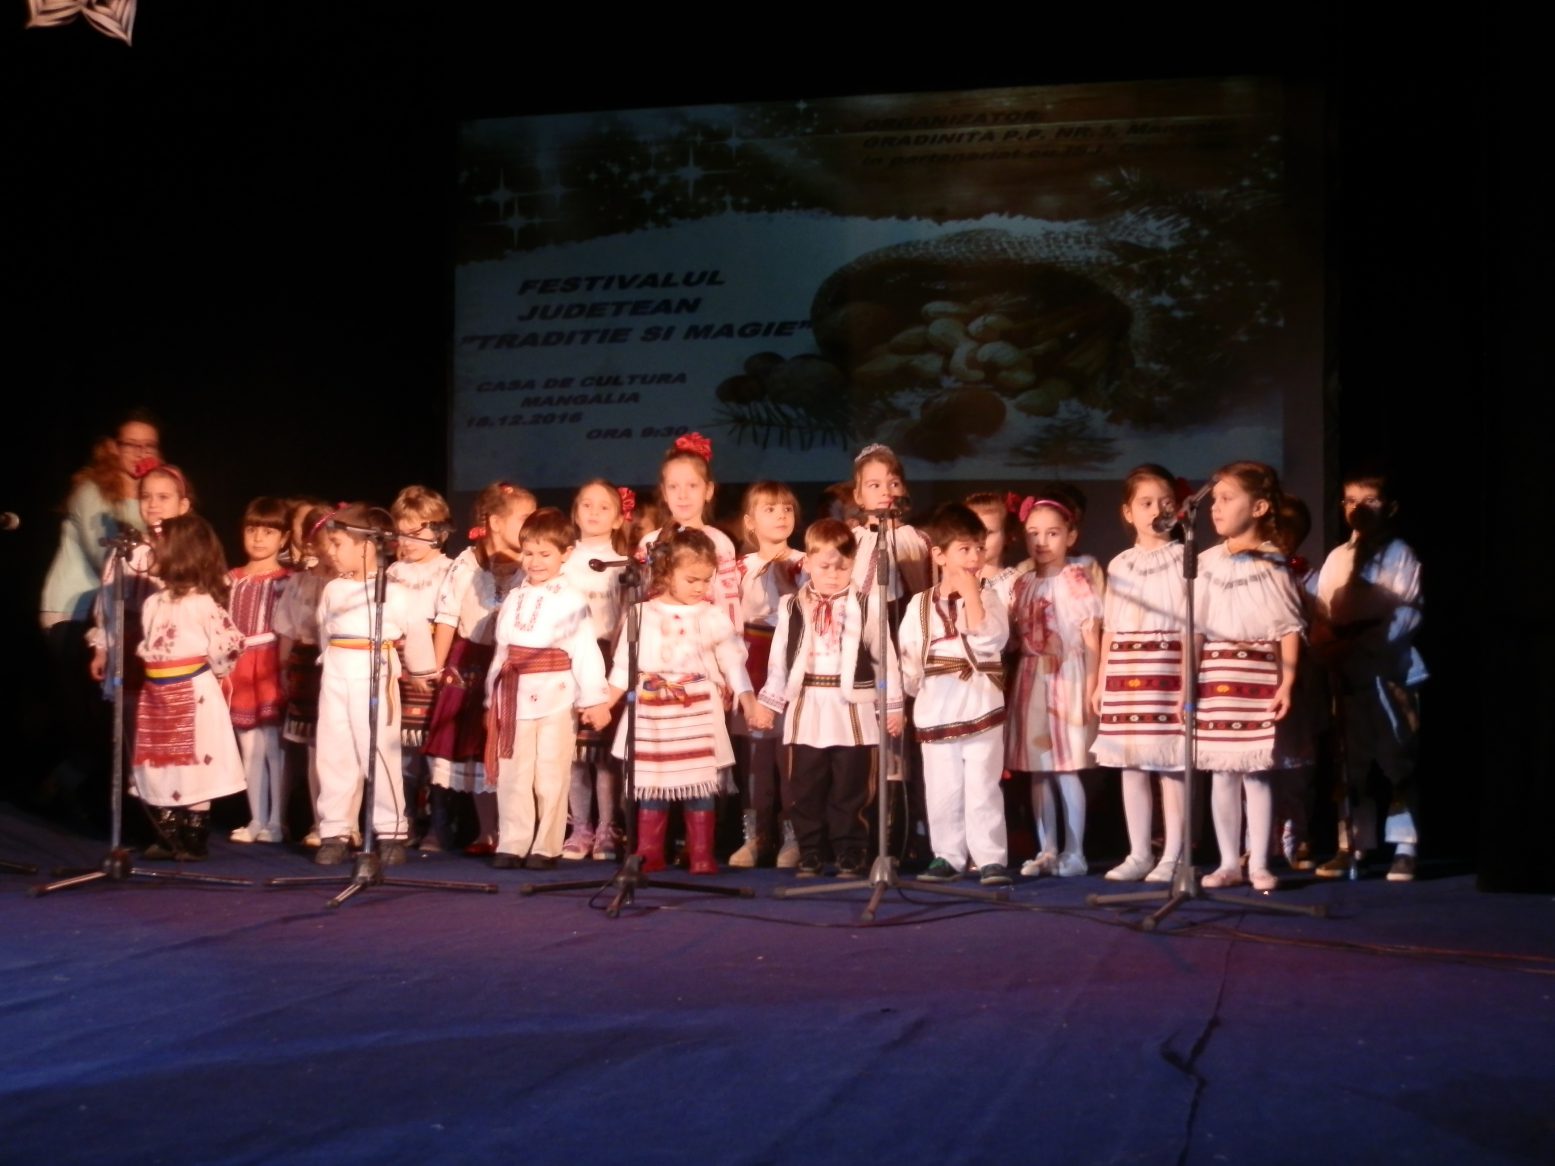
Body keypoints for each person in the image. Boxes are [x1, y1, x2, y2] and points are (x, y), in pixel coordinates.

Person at [750, 519, 901, 877]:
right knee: (805, 786)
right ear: (808, 563)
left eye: (842, 567)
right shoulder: (792, 606)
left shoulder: (868, 605)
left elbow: (884, 661)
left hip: (852, 709)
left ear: (853, 565)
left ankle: (850, 851)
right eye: (824, 567)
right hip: (808, 706)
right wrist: (769, 704)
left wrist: (891, 705)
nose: (833, 575)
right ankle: (811, 851)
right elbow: (780, 662)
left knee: (851, 787)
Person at [606, 528, 757, 875]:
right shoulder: (642, 614)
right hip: (653, 710)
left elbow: (733, 663)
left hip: (697, 709)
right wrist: (605, 704)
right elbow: (624, 667)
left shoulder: (711, 616)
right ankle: (649, 850)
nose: (700, 587)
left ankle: (701, 851)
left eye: (706, 580)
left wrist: (748, 701)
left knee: (699, 783)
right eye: (691, 579)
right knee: (652, 782)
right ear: (666, 572)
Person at [1195, 462, 1306, 892]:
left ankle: (1259, 860)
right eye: (1214, 499)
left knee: (1257, 772)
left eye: (1227, 499)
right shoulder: (1206, 562)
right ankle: (1227, 862)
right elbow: (1196, 629)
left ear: (1258, 507)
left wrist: (1287, 683)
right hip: (1215, 674)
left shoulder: (1272, 562)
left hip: (1257, 673)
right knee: (1222, 772)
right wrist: (1189, 682)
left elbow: (1288, 628)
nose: (1216, 508)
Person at [1312, 470, 1426, 882]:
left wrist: (1359, 644)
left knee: (1397, 758)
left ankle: (1405, 846)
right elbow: (1322, 610)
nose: (1357, 509)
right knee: (1350, 762)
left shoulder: (1400, 554)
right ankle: (1352, 844)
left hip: (1389, 670)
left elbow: (1406, 613)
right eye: (1349, 501)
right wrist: (1329, 648)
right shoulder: (1337, 557)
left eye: (1369, 501)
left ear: (1390, 508)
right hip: (1347, 674)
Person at [484, 508, 613, 869]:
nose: (535, 561)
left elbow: (585, 650)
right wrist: (490, 697)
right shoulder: (514, 597)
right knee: (513, 772)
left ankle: (547, 845)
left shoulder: (571, 599)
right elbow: (502, 653)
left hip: (556, 695)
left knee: (550, 773)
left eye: (545, 554)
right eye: (528, 553)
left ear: (565, 554)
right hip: (514, 697)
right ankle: (513, 842)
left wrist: (594, 699)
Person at [312, 504, 436, 866]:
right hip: (338, 670)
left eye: (338, 544)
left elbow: (415, 632)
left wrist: (422, 670)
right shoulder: (333, 589)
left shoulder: (395, 592)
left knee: (380, 750)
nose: (331, 551)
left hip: (374, 669)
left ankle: (391, 830)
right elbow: (324, 630)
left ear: (366, 546)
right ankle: (335, 830)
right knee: (334, 751)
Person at [898, 503, 1013, 886]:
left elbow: (990, 639)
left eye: (979, 548)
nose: (974, 557)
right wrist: (909, 691)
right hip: (937, 706)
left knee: (982, 786)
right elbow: (909, 657)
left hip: (980, 703)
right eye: (964, 549)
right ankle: (947, 855)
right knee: (942, 787)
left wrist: (971, 595)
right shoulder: (919, 605)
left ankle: (990, 858)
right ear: (940, 555)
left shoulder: (989, 597)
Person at [421, 483, 535, 854]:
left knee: (506, 749)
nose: (531, 524)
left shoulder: (532, 564)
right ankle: (484, 831)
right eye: (524, 518)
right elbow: (447, 616)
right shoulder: (467, 563)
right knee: (469, 747)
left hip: (513, 664)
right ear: (496, 522)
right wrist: (435, 668)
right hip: (469, 663)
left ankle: (514, 832)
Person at [1091, 465, 1191, 883]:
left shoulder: (1186, 559)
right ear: (1128, 512)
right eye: (1146, 503)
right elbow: (1111, 625)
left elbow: (1190, 626)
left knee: (1169, 763)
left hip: (1166, 665)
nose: (1156, 510)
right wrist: (1102, 678)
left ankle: (1174, 854)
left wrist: (1187, 681)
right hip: (1125, 668)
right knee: (1130, 763)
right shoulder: (1120, 564)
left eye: (1165, 502)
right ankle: (1138, 852)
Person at [129, 513, 245, 861]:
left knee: (195, 762)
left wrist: (218, 671)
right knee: (160, 761)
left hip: (192, 691)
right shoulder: (153, 602)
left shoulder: (202, 603)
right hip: (158, 692)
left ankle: (193, 838)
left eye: (159, 546)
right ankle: (167, 834)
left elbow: (229, 642)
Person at [1005, 494, 1102, 878]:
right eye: (1033, 533)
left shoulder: (1075, 580)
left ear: (1070, 536)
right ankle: (1046, 848)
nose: (1042, 541)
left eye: (1052, 533)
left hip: (1067, 677)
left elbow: (1091, 640)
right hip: (1031, 678)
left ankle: (1075, 851)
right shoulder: (1022, 583)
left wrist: (1092, 687)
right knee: (1038, 769)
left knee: (1066, 767)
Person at [730, 481, 807, 868]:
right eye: (770, 509)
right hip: (752, 661)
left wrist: (788, 587)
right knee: (756, 758)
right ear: (750, 521)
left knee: (787, 754)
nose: (780, 515)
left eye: (786, 509)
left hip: (791, 661)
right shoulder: (738, 568)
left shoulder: (806, 562)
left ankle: (792, 836)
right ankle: (755, 836)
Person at [559, 479, 630, 861]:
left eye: (604, 507)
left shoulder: (623, 565)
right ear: (575, 512)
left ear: (618, 518)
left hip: (605, 656)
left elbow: (624, 617)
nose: (594, 512)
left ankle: (606, 826)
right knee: (574, 750)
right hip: (566, 658)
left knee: (602, 752)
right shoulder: (563, 561)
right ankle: (580, 826)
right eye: (586, 504)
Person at [387, 485, 455, 847]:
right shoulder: (393, 572)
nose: (408, 541)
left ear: (438, 530)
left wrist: (433, 667)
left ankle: (439, 824)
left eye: (416, 532)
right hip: (397, 664)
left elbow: (448, 618)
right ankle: (405, 818)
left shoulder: (449, 570)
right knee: (402, 748)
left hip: (433, 662)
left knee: (434, 748)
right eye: (402, 532)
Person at [226, 497, 292, 844]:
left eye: (269, 531)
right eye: (252, 529)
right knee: (248, 747)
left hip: (269, 661)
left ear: (283, 538)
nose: (259, 538)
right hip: (239, 663)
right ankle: (256, 818)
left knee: (272, 746)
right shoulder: (231, 579)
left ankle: (277, 821)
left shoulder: (286, 580)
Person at [273, 501, 335, 846]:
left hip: (339, 661)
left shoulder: (348, 583)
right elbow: (287, 628)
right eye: (325, 541)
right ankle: (318, 822)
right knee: (314, 747)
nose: (331, 550)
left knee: (341, 747)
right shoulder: (300, 583)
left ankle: (346, 822)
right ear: (311, 544)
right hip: (308, 663)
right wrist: (284, 667)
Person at [638, 433, 740, 626]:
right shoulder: (650, 542)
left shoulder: (719, 542)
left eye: (692, 486)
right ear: (664, 492)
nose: (682, 495)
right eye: (673, 487)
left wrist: (731, 639)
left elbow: (728, 601)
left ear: (708, 490)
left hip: (704, 634)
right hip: (660, 634)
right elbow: (640, 597)